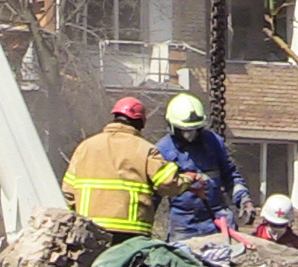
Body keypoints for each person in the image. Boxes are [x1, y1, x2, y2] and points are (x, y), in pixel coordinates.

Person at [63, 96, 203, 243]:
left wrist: (77, 216)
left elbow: (68, 190)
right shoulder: (145, 149)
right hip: (130, 233)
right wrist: (188, 179)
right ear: (141, 123)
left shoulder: (85, 147)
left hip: (89, 229)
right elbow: (168, 184)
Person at [156, 93, 256, 239]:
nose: (189, 135)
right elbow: (155, 192)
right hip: (184, 222)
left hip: (217, 216)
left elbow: (230, 175)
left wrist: (244, 200)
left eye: (194, 130)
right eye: (184, 131)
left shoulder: (213, 142)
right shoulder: (162, 150)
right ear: (171, 126)